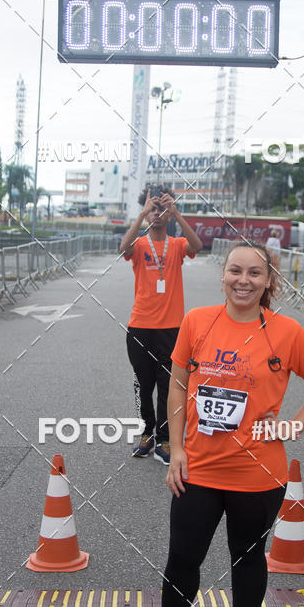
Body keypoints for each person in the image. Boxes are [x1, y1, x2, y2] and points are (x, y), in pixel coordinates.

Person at [127, 241, 304, 607]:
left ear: (268, 281)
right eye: (235, 271)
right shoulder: (197, 321)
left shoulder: (286, 332)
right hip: (198, 467)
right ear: (223, 275)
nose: (244, 280)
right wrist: (177, 450)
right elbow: (178, 386)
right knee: (182, 557)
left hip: (258, 473)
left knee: (248, 558)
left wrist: (293, 425)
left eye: (255, 273)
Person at [120, 187, 203, 465]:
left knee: (168, 386)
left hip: (172, 329)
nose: (157, 213)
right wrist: (141, 214)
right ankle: (147, 434)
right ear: (146, 213)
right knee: (143, 385)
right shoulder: (140, 244)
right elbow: (123, 248)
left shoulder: (177, 245)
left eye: (162, 208)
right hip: (140, 327)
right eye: (153, 208)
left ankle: (165, 439)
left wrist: (176, 212)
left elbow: (197, 246)